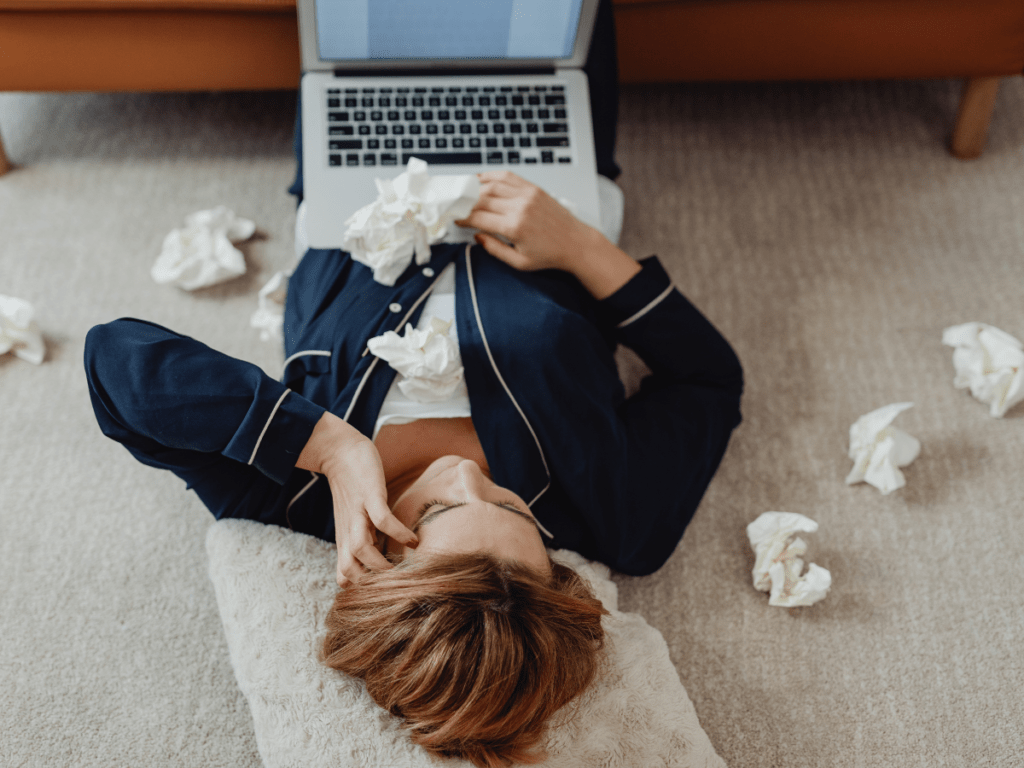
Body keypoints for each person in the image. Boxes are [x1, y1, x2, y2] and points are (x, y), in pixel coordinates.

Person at [84, 4, 742, 764]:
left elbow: (116, 361)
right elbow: (707, 381)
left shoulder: (287, 494)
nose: (466, 472)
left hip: (364, 154)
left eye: (431, 512)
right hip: (537, 160)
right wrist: (585, 248)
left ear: (379, 558)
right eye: (506, 505)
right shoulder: (619, 518)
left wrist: (326, 445)